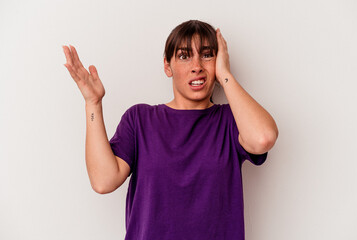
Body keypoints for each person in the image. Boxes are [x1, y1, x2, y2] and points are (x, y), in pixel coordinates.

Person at [63, 20, 278, 240]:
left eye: (207, 55)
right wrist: (93, 103)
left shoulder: (231, 120)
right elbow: (103, 180)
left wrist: (225, 74)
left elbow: (263, 138)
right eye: (184, 56)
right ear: (167, 66)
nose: (197, 66)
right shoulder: (140, 119)